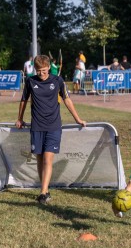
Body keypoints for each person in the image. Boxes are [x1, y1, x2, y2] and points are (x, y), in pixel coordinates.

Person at [16, 55, 86, 204]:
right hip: (37, 126)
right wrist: (20, 118)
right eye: (39, 70)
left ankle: (42, 193)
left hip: (53, 126)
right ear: (35, 69)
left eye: (44, 70)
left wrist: (77, 118)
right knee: (40, 159)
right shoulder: (30, 81)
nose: (42, 73)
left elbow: (67, 99)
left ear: (49, 68)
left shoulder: (57, 81)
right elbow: (24, 100)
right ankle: (45, 190)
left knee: (48, 158)